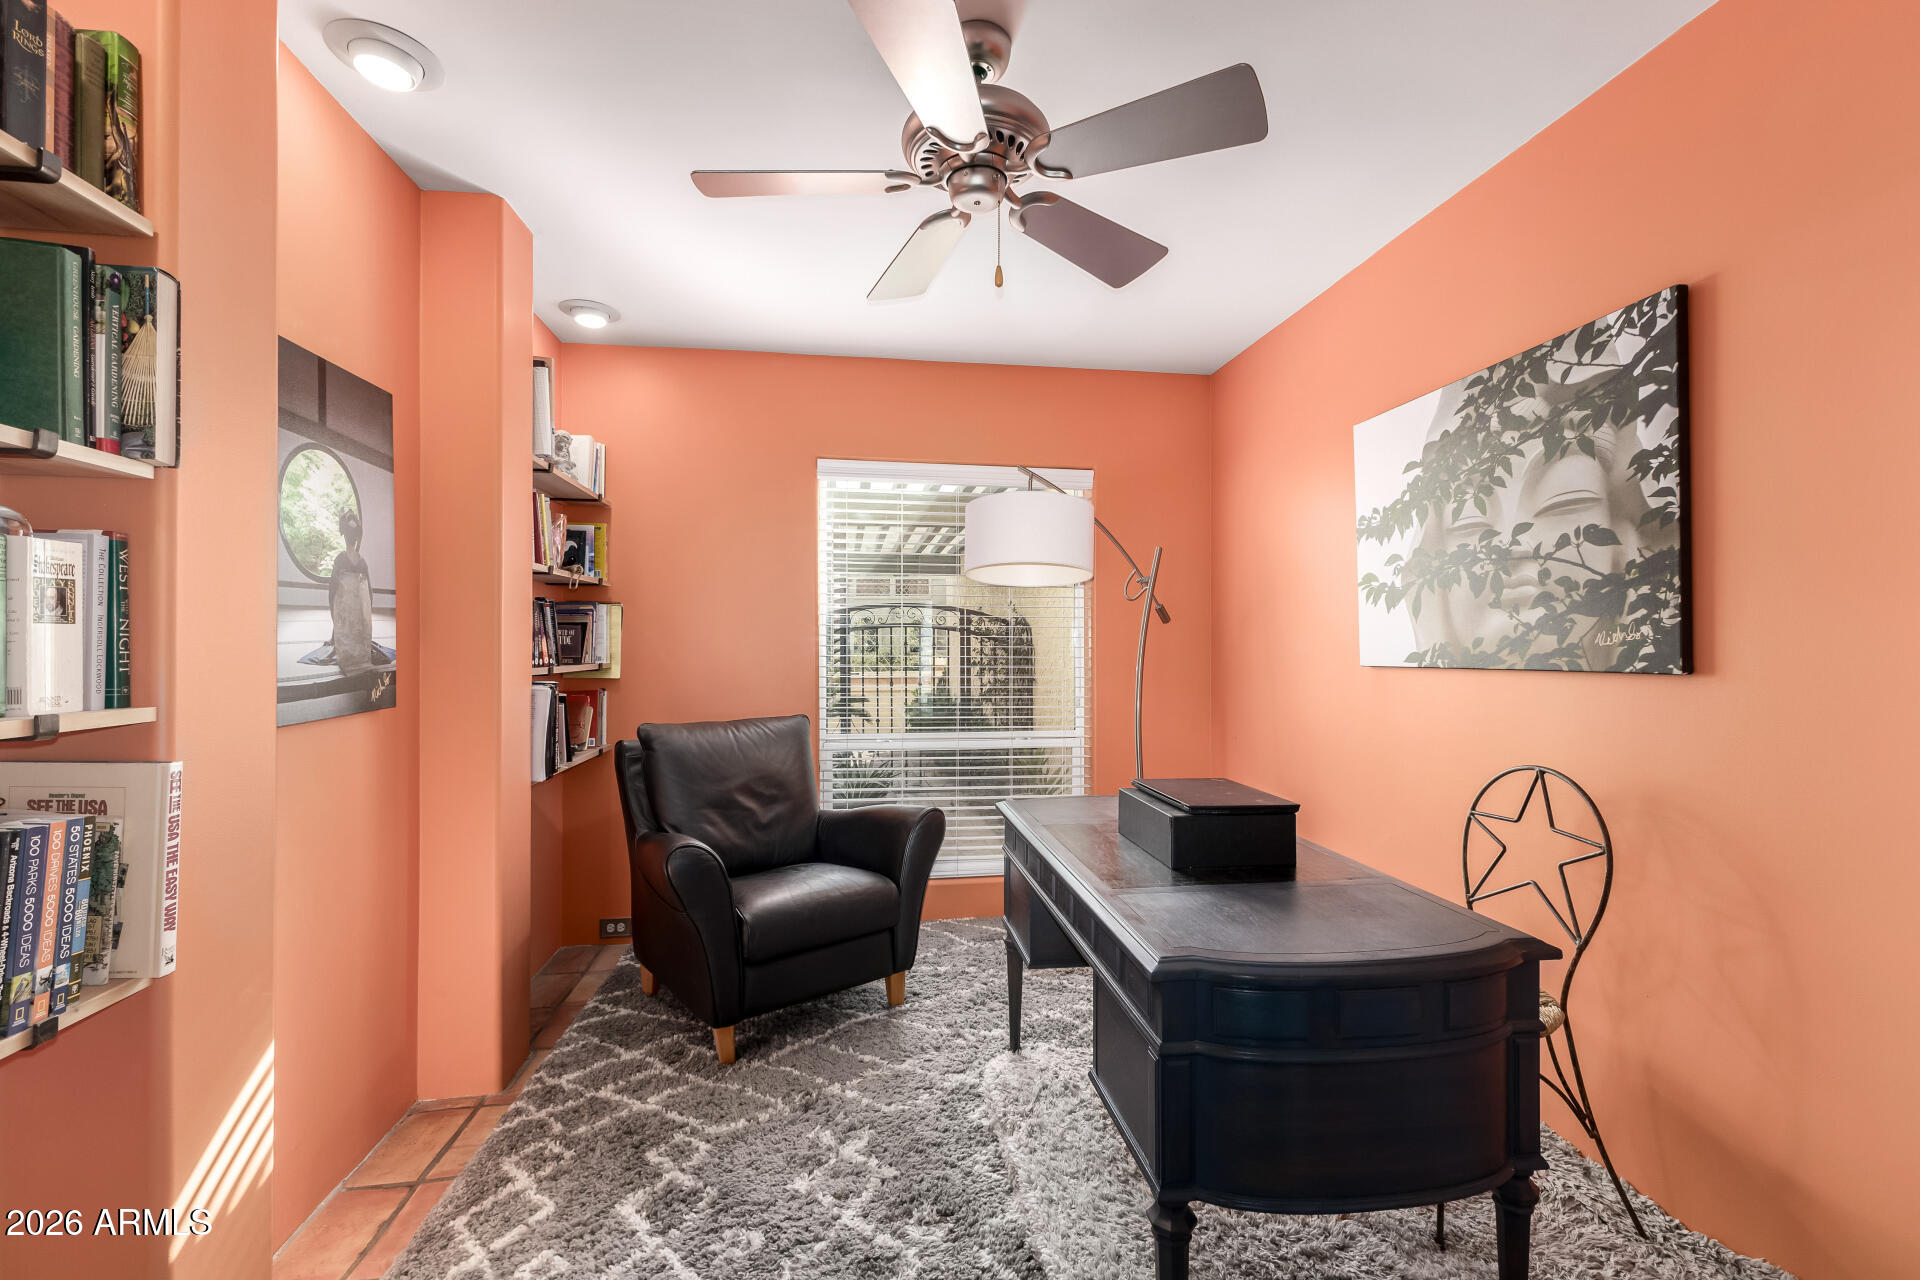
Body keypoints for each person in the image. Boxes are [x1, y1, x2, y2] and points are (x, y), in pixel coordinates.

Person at [327, 509, 375, 675]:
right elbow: (369, 592)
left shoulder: (340, 558)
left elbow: (332, 589)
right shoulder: (362, 562)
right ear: (356, 537)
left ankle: (341, 639)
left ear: (344, 535)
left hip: (344, 613)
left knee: (340, 603)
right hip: (359, 615)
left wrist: (333, 610)